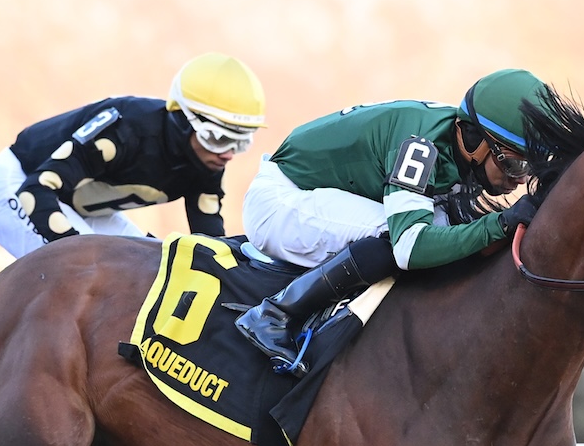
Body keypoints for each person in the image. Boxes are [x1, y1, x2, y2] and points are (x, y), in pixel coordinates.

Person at [234, 69, 547, 373]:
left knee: (447, 238)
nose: (519, 181)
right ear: (475, 143)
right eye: (516, 165)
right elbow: (410, 247)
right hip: (280, 202)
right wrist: (499, 224)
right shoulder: (420, 147)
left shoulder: (456, 140)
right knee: (400, 238)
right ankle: (275, 314)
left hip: (321, 194)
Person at [0, 53, 266, 259]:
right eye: (217, 137)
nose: (228, 153)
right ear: (183, 119)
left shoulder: (207, 158)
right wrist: (79, 255)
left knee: (152, 268)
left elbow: (210, 247)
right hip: (17, 184)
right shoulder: (124, 131)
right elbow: (36, 190)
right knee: (88, 270)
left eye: (240, 142)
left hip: (78, 205)